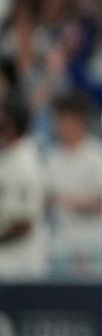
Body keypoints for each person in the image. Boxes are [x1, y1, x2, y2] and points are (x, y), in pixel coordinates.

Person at [44, 92, 102, 277]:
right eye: (57, 120)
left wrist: (74, 202)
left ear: (78, 120)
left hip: (91, 245)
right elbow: (46, 199)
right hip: (61, 244)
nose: (59, 126)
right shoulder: (52, 157)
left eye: (64, 120)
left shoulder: (97, 155)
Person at [0, 96, 48, 279]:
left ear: (11, 124)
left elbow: (24, 223)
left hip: (21, 264)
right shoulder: (7, 155)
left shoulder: (28, 162)